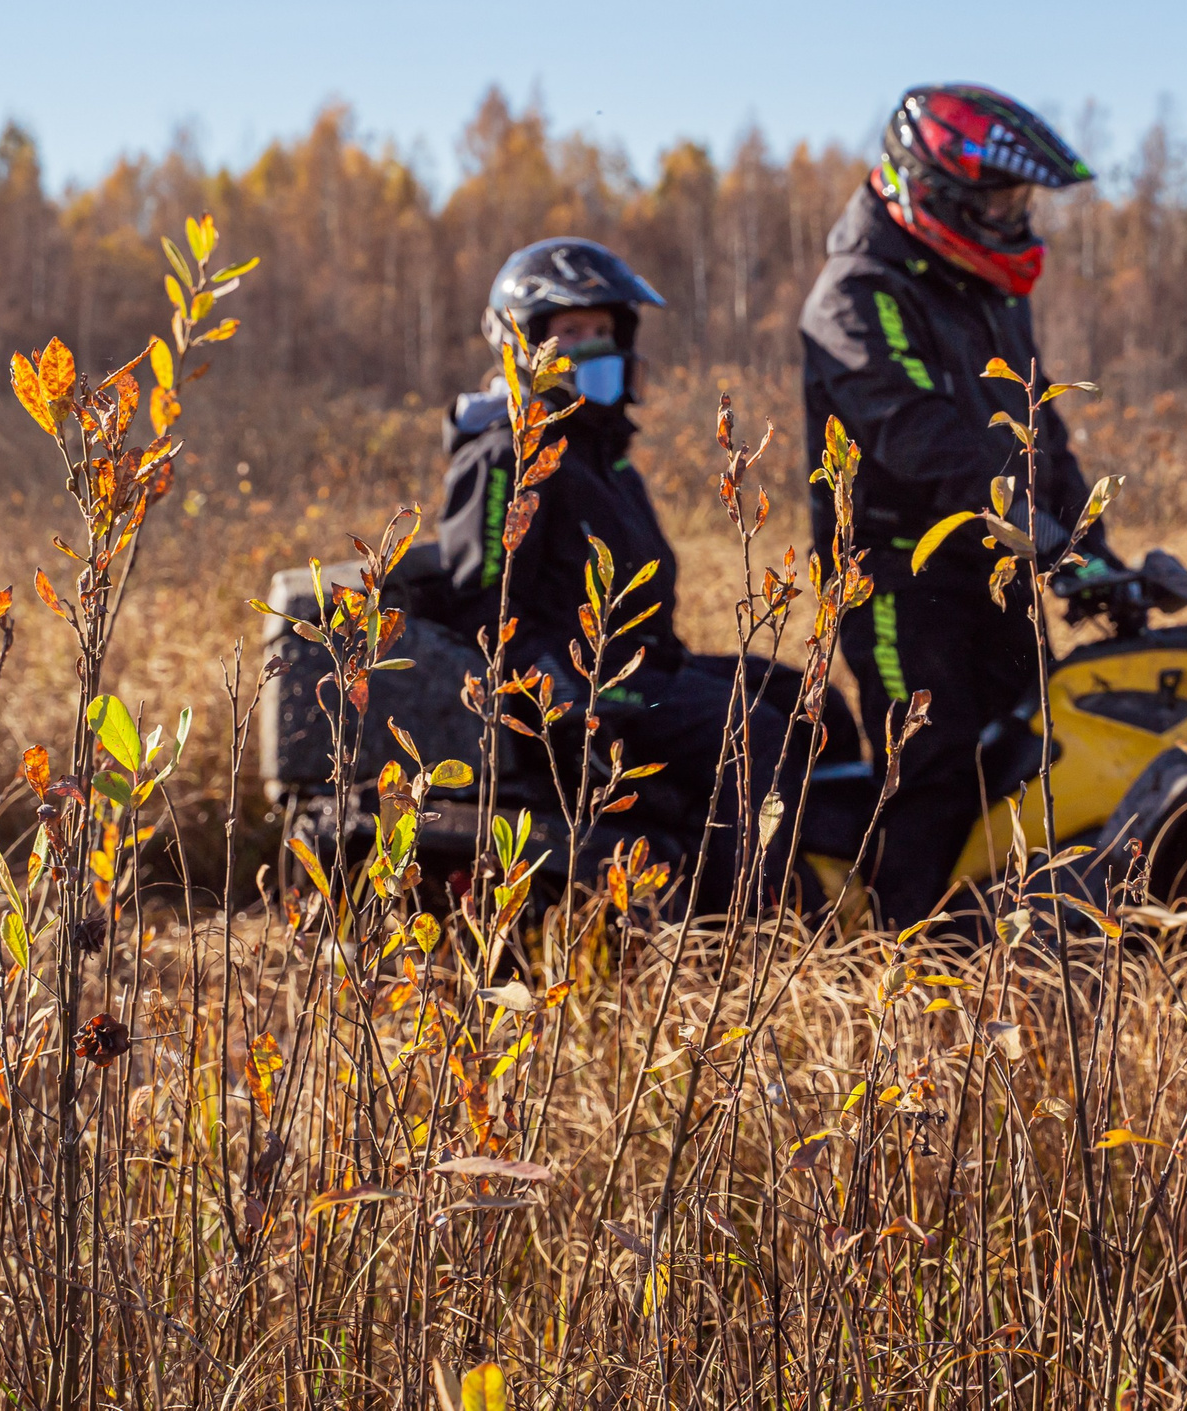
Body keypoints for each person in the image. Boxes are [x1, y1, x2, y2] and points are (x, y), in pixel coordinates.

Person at [437, 237, 860, 914]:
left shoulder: (604, 456)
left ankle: (834, 890)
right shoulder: (505, 455)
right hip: (574, 687)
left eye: (604, 330)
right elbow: (483, 606)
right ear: (524, 342)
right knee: (749, 731)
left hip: (649, 667)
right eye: (572, 330)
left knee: (814, 704)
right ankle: (735, 931)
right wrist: (562, 696)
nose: (594, 345)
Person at [799, 86, 1125, 925]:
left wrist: (1092, 548)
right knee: (932, 764)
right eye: (999, 201)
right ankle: (906, 961)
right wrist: (1048, 540)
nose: (1014, 219)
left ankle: (1006, 939)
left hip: (995, 564)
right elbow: (924, 439)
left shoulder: (984, 284)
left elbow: (1034, 422)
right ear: (934, 194)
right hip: (898, 579)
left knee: (1025, 748)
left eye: (1020, 201)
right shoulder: (855, 295)